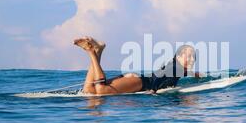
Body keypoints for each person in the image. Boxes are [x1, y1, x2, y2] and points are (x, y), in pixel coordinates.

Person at [74, 36, 203, 95]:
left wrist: (193, 73)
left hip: (137, 79)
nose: (192, 58)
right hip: (141, 83)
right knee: (101, 91)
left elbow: (176, 73)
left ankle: (98, 51)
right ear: (178, 56)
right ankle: (92, 52)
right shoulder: (176, 67)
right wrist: (154, 90)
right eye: (188, 55)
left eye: (193, 56)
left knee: (89, 90)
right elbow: (162, 76)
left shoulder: (176, 67)